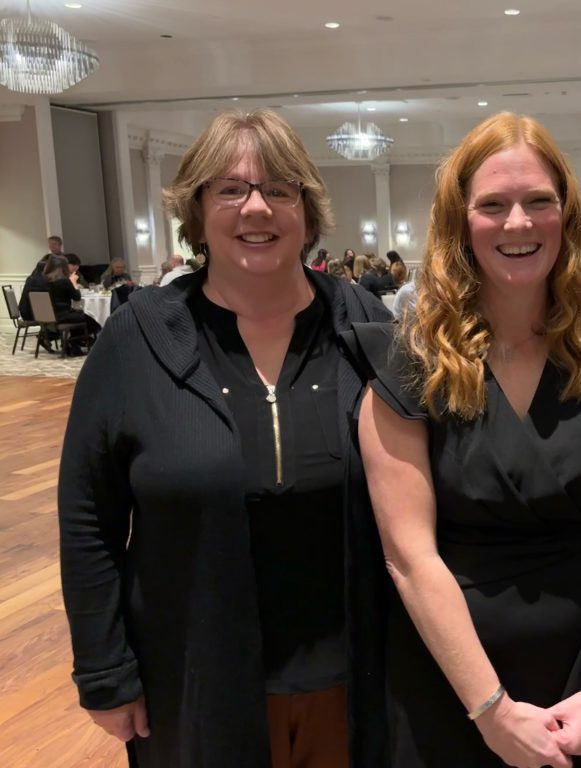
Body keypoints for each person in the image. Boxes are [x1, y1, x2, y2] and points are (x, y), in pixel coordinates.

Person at [58, 108, 393, 768]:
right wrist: (104, 671)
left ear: (307, 206)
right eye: (230, 189)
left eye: (279, 188)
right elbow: (88, 518)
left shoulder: (365, 327)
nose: (256, 209)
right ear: (198, 209)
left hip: (358, 681)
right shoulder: (138, 339)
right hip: (193, 683)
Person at [349, 111, 581, 768]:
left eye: (538, 201)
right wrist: (492, 712)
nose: (518, 223)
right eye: (493, 205)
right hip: (455, 696)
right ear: (461, 223)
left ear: (567, 217)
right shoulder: (408, 362)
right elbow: (409, 558)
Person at [43, 254, 98, 353]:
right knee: (92, 317)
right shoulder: (64, 281)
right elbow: (77, 297)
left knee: (80, 314)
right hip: (62, 316)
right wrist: (73, 283)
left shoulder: (45, 280)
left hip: (50, 315)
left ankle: (73, 342)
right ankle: (75, 341)